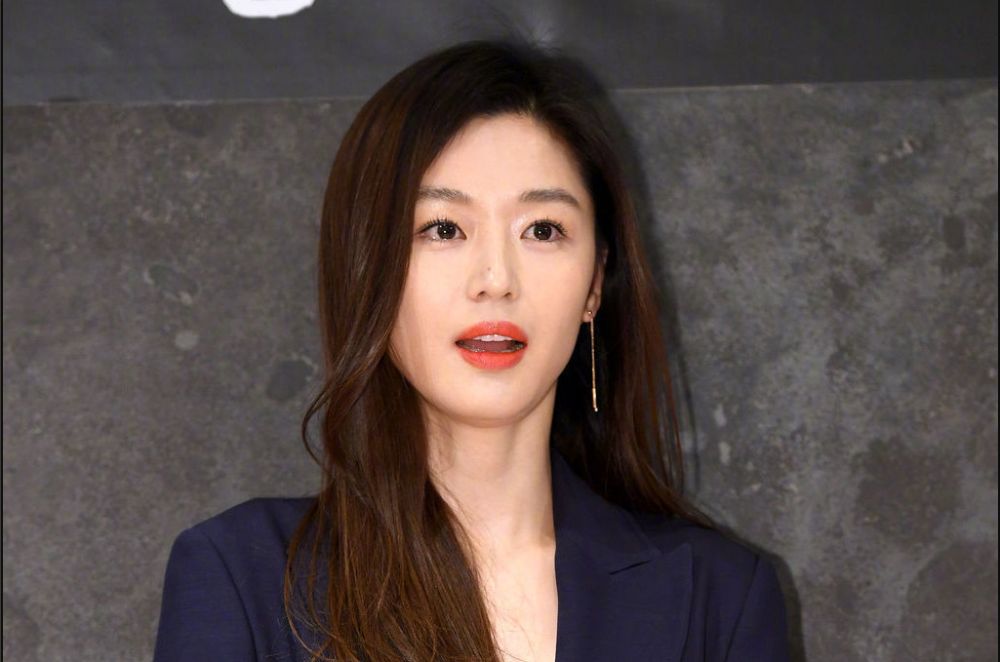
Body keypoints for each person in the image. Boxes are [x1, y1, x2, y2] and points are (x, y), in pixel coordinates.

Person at [153, 37, 791, 662]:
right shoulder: (245, 578)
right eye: (443, 228)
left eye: (543, 230)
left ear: (595, 282)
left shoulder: (722, 597)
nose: (495, 278)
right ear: (367, 267)